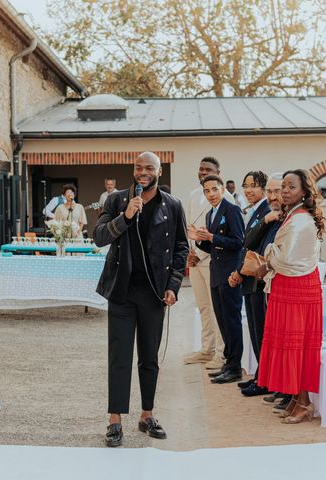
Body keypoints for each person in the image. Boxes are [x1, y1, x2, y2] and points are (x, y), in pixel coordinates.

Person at [94, 151, 188, 447]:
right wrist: (126, 217)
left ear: (159, 171)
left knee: (149, 357)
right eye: (138, 168)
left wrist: (173, 284)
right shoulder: (117, 200)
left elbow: (181, 247)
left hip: (153, 293)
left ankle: (147, 415)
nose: (142, 172)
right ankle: (114, 420)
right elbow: (99, 237)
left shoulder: (171, 205)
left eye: (149, 168)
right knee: (119, 357)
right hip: (121, 291)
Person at [255, 169, 326, 424]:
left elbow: (284, 258)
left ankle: (305, 403)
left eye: (291, 186)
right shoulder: (292, 215)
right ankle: (296, 398)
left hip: (298, 288)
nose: (285, 190)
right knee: (287, 344)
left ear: (304, 192)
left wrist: (269, 249)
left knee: (298, 347)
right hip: (289, 286)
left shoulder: (300, 220)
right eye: (283, 186)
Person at [230, 172, 284, 398]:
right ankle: (262, 376)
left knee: (264, 332)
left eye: (276, 191)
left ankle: (266, 379)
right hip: (255, 277)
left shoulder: (283, 216)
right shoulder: (267, 214)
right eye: (270, 191)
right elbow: (249, 241)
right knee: (256, 330)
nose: (272, 196)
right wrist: (265, 221)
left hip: (267, 281)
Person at [189, 175, 245, 385]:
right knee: (222, 321)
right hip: (216, 272)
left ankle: (234, 367)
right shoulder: (211, 213)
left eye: (214, 189)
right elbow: (212, 247)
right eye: (206, 191)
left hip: (230, 274)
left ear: (223, 189)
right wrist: (200, 240)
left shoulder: (231, 210)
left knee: (231, 321)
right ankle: (227, 364)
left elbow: (239, 242)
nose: (211, 194)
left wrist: (212, 237)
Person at [184, 157, 235, 371]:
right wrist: (189, 252)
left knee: (217, 309)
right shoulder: (194, 195)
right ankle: (207, 349)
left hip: (214, 259)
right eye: (201, 168)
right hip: (195, 259)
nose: (203, 172)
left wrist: (201, 254)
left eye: (209, 169)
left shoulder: (227, 198)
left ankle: (222, 354)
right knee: (203, 307)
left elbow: (224, 233)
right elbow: (188, 226)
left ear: (218, 172)